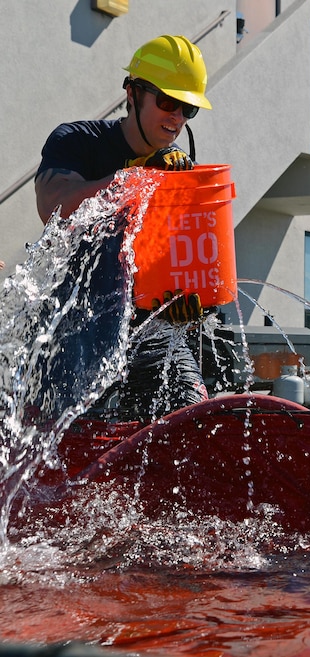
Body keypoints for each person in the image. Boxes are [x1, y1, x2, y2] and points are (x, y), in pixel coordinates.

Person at [33, 35, 213, 421]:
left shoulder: (178, 166)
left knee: (197, 427)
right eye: (167, 102)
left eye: (188, 109)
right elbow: (54, 207)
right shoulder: (77, 141)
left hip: (146, 330)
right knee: (70, 442)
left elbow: (182, 255)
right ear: (132, 94)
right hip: (73, 324)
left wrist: (186, 304)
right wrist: (138, 178)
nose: (177, 117)